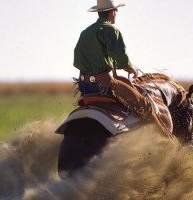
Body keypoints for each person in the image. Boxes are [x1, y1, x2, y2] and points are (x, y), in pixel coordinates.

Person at [73, 0, 173, 138]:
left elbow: (78, 59)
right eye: (116, 11)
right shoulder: (111, 30)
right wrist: (130, 68)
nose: (116, 14)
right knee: (145, 105)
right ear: (112, 13)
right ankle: (167, 142)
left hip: (84, 86)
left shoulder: (86, 32)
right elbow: (120, 56)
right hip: (104, 85)